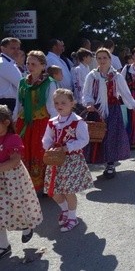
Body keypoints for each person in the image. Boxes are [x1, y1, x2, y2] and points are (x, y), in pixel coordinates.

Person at [82, 48, 135, 178]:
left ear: (110, 59)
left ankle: (110, 164)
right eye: (99, 58)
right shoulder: (92, 76)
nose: (102, 61)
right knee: (96, 136)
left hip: (113, 109)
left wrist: (134, 107)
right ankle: (96, 160)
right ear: (96, 60)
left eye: (105, 58)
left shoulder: (116, 76)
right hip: (97, 110)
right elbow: (86, 93)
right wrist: (89, 103)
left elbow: (125, 93)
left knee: (111, 137)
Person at [42, 89, 93, 232]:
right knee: (53, 191)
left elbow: (84, 140)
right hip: (55, 161)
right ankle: (65, 210)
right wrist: (50, 147)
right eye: (57, 102)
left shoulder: (77, 122)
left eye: (63, 102)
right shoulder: (52, 122)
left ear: (72, 103)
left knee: (68, 190)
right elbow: (46, 139)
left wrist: (67, 147)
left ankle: (72, 217)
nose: (60, 105)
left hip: (71, 160)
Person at [0, 105, 42, 259]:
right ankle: (3, 245)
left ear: (5, 122)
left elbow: (15, 161)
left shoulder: (12, 139)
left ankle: (26, 226)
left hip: (12, 180)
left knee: (18, 205)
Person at [15, 50, 59, 192]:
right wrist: (14, 122)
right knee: (23, 152)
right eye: (28, 63)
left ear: (43, 66)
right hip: (24, 123)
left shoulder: (49, 83)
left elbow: (52, 107)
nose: (30, 66)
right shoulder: (23, 82)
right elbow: (18, 104)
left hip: (41, 123)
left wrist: (55, 127)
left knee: (40, 152)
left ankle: (44, 185)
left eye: (34, 64)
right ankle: (26, 185)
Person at [0, 37, 23, 111]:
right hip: (6, 103)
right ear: (3, 48)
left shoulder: (8, 63)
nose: (16, 51)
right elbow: (21, 84)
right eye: (13, 48)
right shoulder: (4, 63)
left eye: (18, 48)